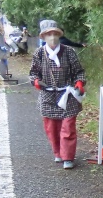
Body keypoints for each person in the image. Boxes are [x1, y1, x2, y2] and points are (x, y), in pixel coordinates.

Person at [29, 19, 87, 169]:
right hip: (48, 95)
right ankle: (58, 153)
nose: (52, 37)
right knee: (51, 127)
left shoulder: (69, 52)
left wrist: (79, 83)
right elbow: (33, 72)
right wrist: (35, 81)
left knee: (68, 126)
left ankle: (68, 157)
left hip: (67, 94)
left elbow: (78, 72)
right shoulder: (39, 53)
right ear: (43, 37)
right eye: (49, 34)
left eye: (55, 33)